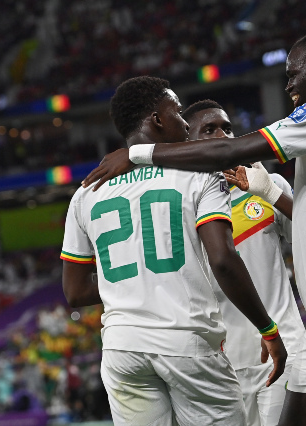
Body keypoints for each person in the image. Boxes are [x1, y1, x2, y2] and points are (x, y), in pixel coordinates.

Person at [82, 26, 306, 426]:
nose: (288, 83)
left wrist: (139, 154)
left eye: (293, 73)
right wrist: (267, 189)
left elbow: (232, 149)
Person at [61, 76, 287, 425]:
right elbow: (223, 260)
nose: (184, 122)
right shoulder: (199, 176)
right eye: (179, 113)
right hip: (186, 339)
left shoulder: (85, 194)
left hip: (122, 347)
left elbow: (75, 292)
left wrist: (134, 286)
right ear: (157, 120)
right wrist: (268, 329)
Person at [183, 100, 305, 426]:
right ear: (187, 144)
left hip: (284, 348)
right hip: (222, 366)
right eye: (209, 129)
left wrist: (268, 191)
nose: (223, 134)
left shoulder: (268, 186)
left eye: (227, 127)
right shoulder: (183, 208)